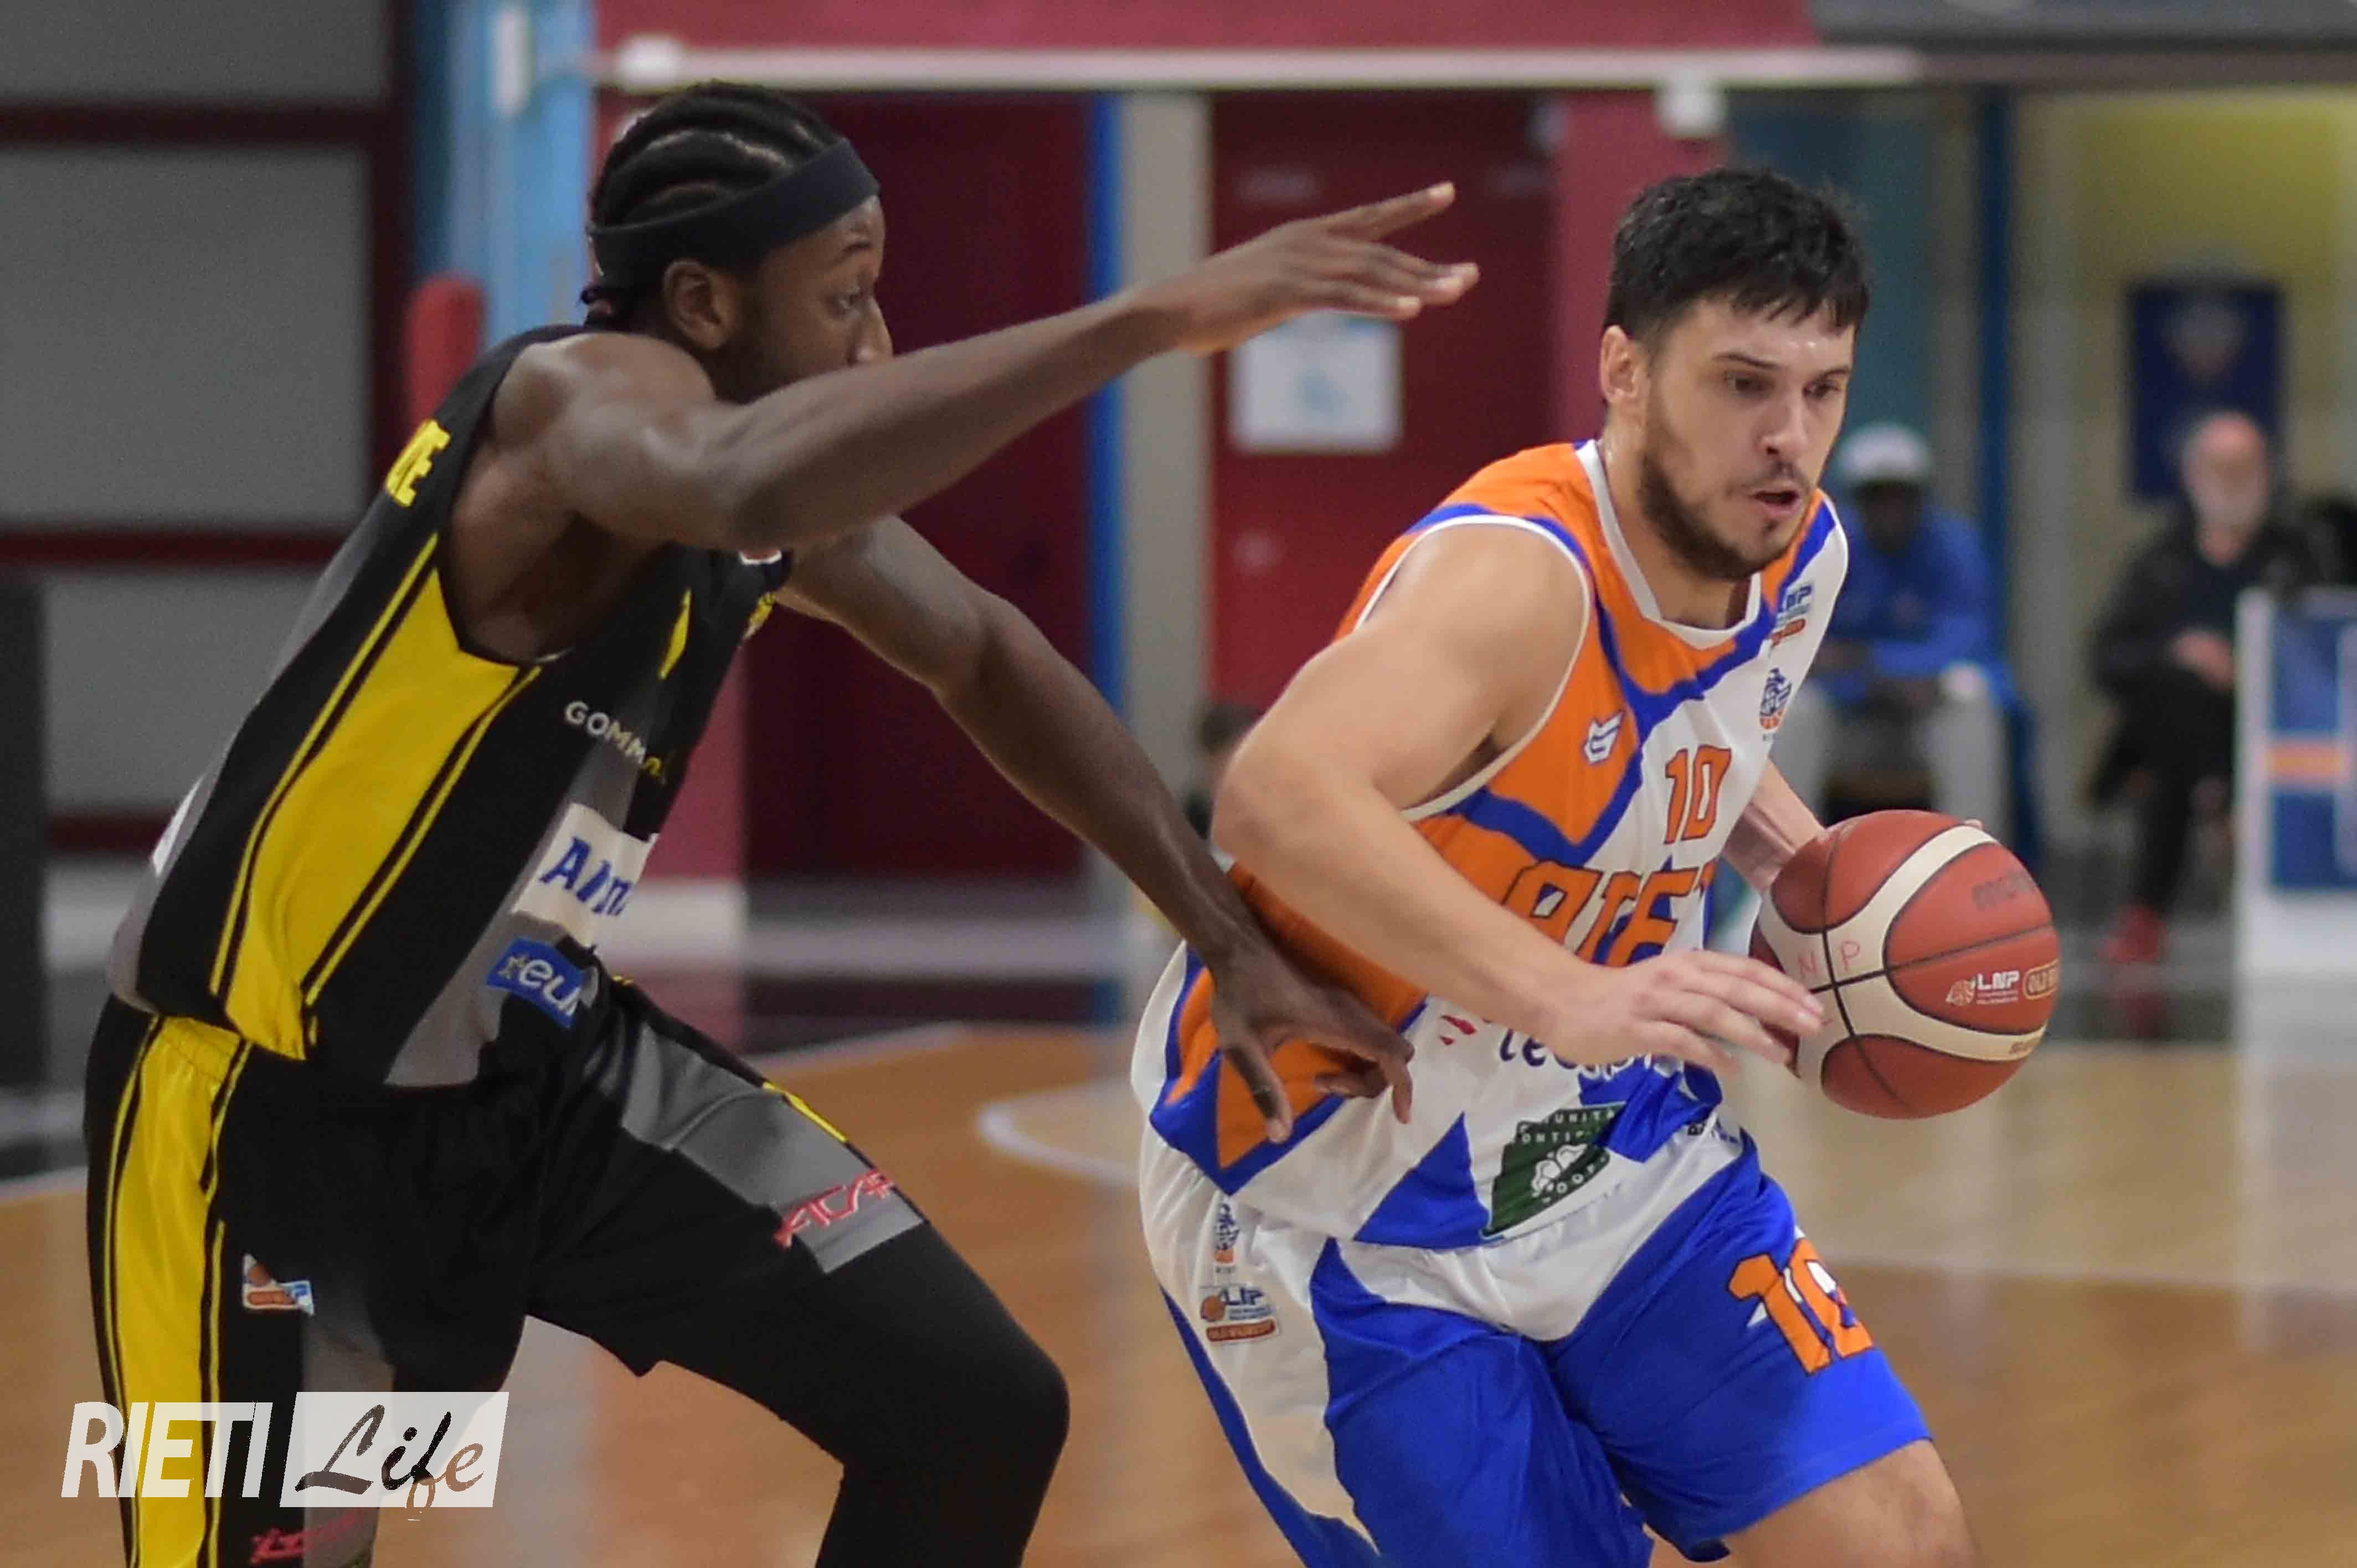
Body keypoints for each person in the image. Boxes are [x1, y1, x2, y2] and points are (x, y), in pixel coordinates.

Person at [86, 81, 1471, 1568]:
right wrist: (1142, 322)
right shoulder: (569, 407)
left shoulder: (764, 501)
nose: (879, 341)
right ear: (702, 303)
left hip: (545, 1085)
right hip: (268, 1123)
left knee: (971, 1408)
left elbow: (984, 654)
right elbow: (734, 477)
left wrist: (1226, 936)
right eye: (846, 297)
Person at [1133, 168, 1977, 1567]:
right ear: (1625, 371)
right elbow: (1276, 792)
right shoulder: (1518, 576)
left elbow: (1687, 723)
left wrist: (1813, 868)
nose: (1789, 438)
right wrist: (1561, 992)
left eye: (1821, 391)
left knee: (1902, 1539)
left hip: (1608, 1151)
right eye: (1744, 385)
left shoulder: (1797, 555)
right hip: (1336, 1202)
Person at [2088, 409, 2313, 963]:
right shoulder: (2161, 562)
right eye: (2218, 466)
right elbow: (2106, 658)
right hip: (2173, 732)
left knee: (2175, 756)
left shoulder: (2299, 557)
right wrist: (2180, 652)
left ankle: (2146, 911)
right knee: (2177, 700)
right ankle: (2218, 799)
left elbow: (2328, 647)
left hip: (2271, 725)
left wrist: (2248, 664)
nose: (2231, 479)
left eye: (2244, 466)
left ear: (2267, 472)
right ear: (2192, 474)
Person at [1771, 422, 2011, 839]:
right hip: (1848, 717)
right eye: (1876, 497)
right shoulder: (1827, 546)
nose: (1890, 509)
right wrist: (1865, 677)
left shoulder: (1951, 545)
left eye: (1901, 496)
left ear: (1921, 499)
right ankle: (1785, 864)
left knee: (1971, 695)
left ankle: (1974, 855)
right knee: (1794, 708)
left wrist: (1879, 663)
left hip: (1925, 715)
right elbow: (1794, 640)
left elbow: (1970, 636)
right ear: (1855, 501)